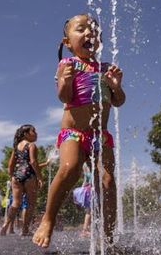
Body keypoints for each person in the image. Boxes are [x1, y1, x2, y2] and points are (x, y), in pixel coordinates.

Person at [32, 14, 126, 249]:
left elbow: (118, 102)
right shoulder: (68, 64)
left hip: (100, 136)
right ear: (67, 42)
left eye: (93, 30)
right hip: (74, 133)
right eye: (81, 29)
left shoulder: (105, 69)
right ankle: (48, 220)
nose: (88, 34)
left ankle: (108, 238)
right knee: (69, 168)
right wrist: (65, 81)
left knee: (108, 182)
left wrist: (116, 86)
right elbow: (64, 97)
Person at [0, 124, 43, 236]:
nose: (36, 133)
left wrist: (12, 177)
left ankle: (4, 227)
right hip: (29, 175)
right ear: (26, 134)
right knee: (30, 204)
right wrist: (39, 177)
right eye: (33, 131)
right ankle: (25, 230)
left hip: (17, 176)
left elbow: (10, 166)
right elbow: (33, 162)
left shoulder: (16, 147)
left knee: (15, 203)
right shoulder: (31, 145)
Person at [72, 163, 92, 236]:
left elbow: (86, 179)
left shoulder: (84, 165)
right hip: (92, 189)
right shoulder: (94, 162)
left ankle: (86, 229)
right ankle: (85, 230)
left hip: (88, 189)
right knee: (90, 211)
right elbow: (91, 179)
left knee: (89, 211)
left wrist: (82, 188)